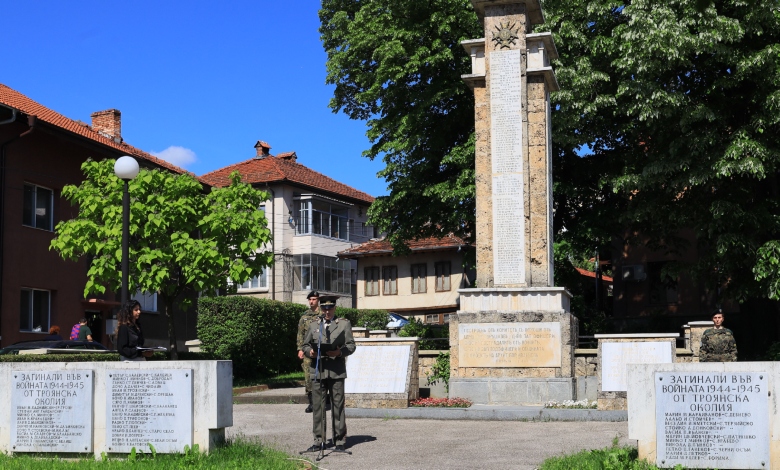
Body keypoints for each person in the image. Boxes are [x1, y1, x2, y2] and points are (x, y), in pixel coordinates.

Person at [302, 295, 356, 454]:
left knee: (337, 406)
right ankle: (318, 441)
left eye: (330, 308)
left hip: (336, 370)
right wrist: (309, 351)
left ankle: (339, 440)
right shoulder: (313, 325)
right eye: (324, 308)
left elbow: (351, 346)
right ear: (320, 308)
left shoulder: (344, 324)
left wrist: (339, 352)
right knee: (318, 407)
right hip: (318, 370)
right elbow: (304, 345)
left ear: (334, 308)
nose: (327, 311)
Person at [298, 290, 322, 413]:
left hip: (321, 349)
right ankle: (311, 402)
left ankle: (322, 400)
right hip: (308, 349)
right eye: (310, 299)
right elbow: (300, 334)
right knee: (308, 375)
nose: (311, 301)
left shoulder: (324, 314)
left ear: (318, 300)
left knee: (321, 374)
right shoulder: (304, 316)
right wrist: (300, 349)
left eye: (314, 299)